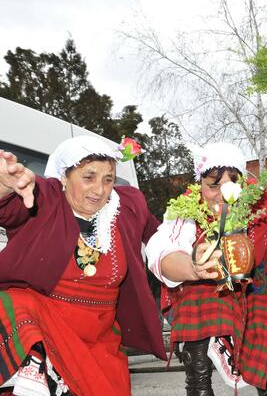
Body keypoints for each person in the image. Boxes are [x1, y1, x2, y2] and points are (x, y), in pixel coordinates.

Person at [145, 142, 267, 396]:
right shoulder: (186, 207)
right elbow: (162, 249)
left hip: (257, 275)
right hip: (206, 280)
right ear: (200, 183)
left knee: (262, 318)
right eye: (213, 185)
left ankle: (264, 383)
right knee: (195, 301)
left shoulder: (262, 195)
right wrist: (193, 267)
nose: (222, 194)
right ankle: (199, 386)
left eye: (231, 184)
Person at [0, 136, 166, 396]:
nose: (99, 190)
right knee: (16, 302)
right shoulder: (44, 200)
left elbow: (163, 245)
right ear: (64, 177)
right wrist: (4, 185)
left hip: (101, 340)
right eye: (88, 177)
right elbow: (7, 208)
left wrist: (193, 266)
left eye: (108, 179)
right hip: (45, 326)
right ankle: (35, 364)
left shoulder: (126, 208)